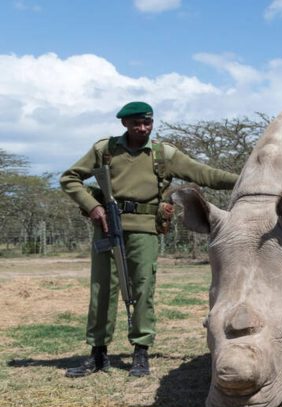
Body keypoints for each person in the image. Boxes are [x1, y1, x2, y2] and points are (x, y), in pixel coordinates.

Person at [60, 101, 239, 378]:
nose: (143, 128)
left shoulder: (163, 154)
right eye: (136, 123)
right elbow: (69, 178)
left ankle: (141, 352)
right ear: (125, 124)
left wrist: (245, 179)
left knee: (143, 288)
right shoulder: (105, 149)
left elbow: (206, 175)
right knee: (102, 289)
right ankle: (98, 353)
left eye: (147, 122)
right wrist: (92, 206)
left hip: (144, 229)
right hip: (107, 226)